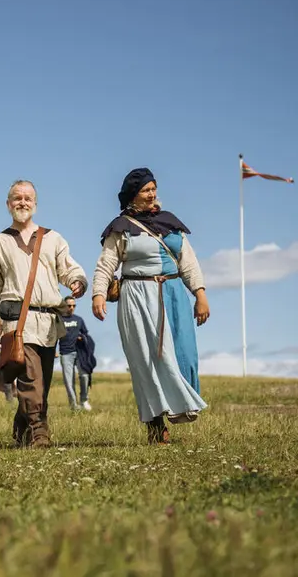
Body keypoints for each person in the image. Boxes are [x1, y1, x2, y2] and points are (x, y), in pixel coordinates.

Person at [91, 167, 209, 445]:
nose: (152, 193)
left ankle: (180, 408)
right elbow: (106, 264)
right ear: (133, 195)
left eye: (154, 188)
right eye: (146, 189)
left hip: (173, 293)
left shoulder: (170, 223)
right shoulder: (121, 228)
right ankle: (156, 425)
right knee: (147, 361)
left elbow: (188, 262)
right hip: (137, 296)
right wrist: (98, 294)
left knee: (184, 356)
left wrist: (200, 294)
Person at [0, 179, 87, 448]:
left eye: (28, 198)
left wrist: (77, 281)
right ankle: (40, 433)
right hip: (17, 321)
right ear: (8, 205)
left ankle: (22, 425)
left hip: (49, 321)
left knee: (43, 383)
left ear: (36, 204)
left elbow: (68, 268)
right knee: (30, 379)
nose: (23, 202)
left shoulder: (53, 238)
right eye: (17, 198)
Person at [58, 296, 92, 411]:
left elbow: (86, 334)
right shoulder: (59, 320)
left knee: (84, 375)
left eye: (74, 305)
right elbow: (53, 336)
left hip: (79, 352)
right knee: (69, 381)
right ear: (64, 306)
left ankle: (84, 400)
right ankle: (74, 405)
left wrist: (82, 338)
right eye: (69, 305)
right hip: (65, 353)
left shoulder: (79, 320)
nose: (72, 308)